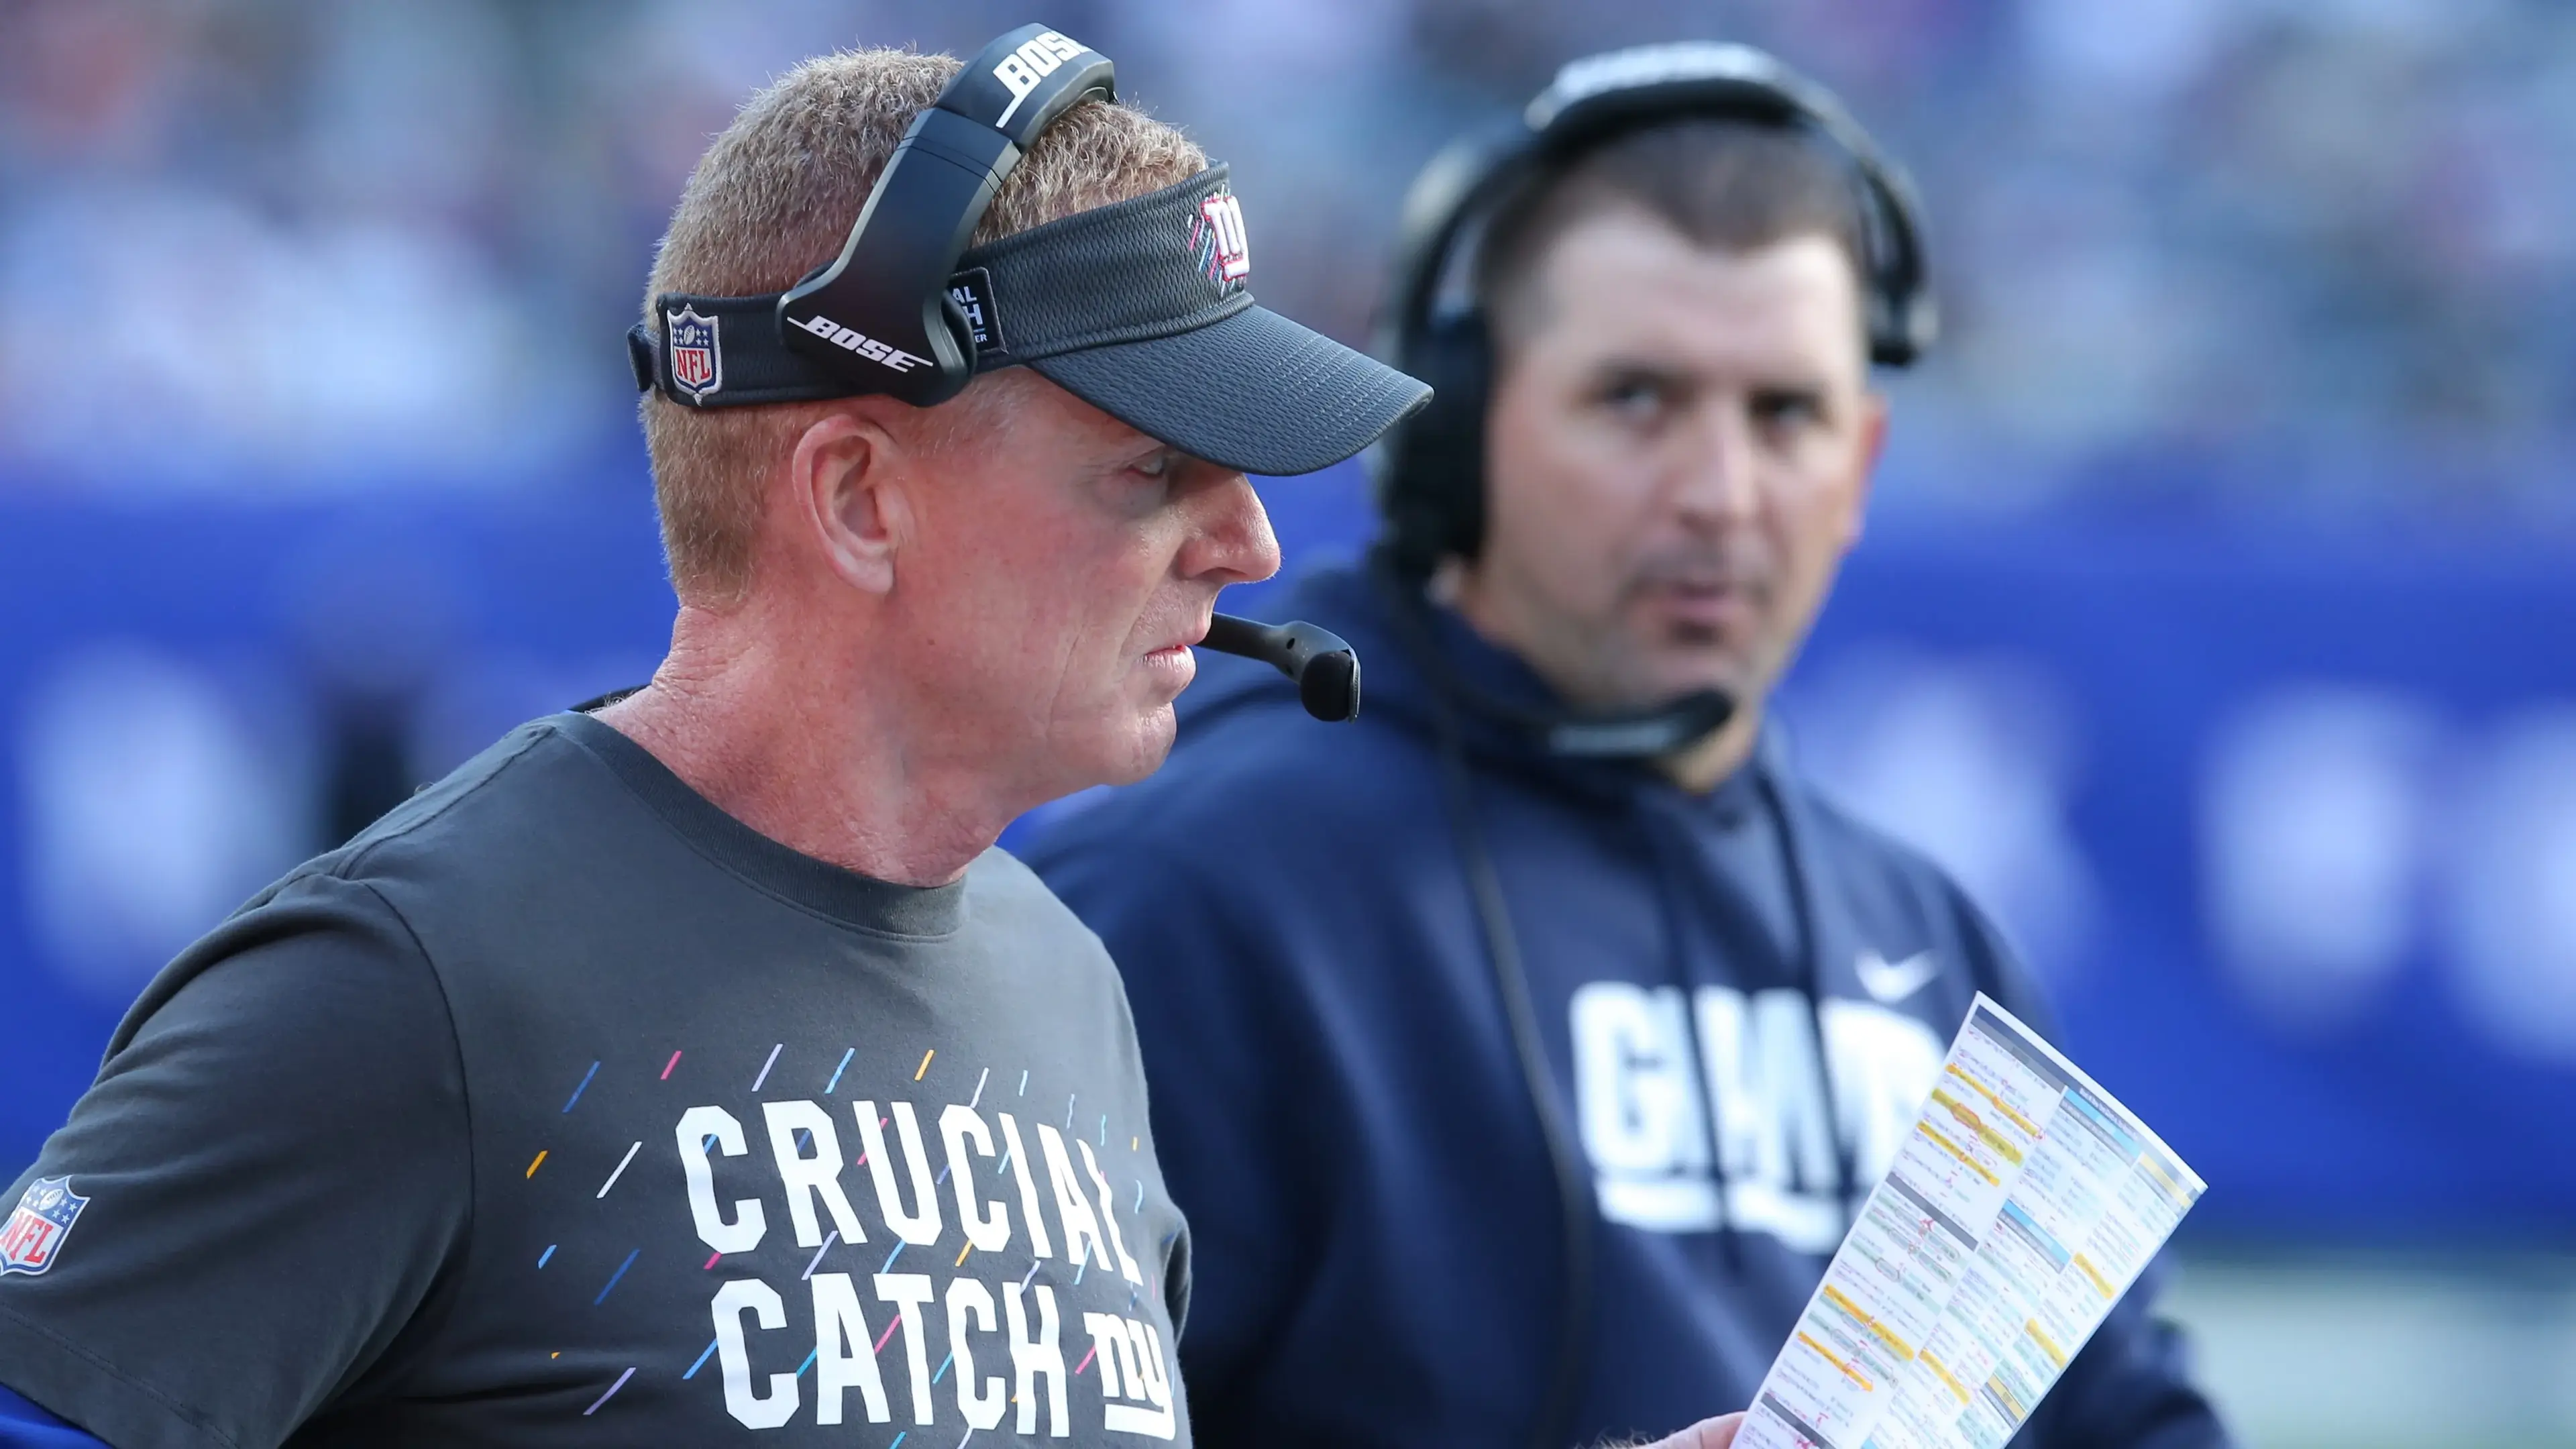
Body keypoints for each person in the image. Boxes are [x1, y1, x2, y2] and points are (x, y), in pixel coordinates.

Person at [0, 32, 1495, 1446]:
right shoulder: (417, 988)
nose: (1248, 544)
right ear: (855, 498)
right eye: (1154, 468)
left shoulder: (1069, 983)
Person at [1026, 42, 2234, 1449]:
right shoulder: (1185, 894)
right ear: (1461, 434)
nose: (1720, 493)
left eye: (1786, 415)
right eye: (1636, 400)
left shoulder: (1938, 950)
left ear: (1863, 467)